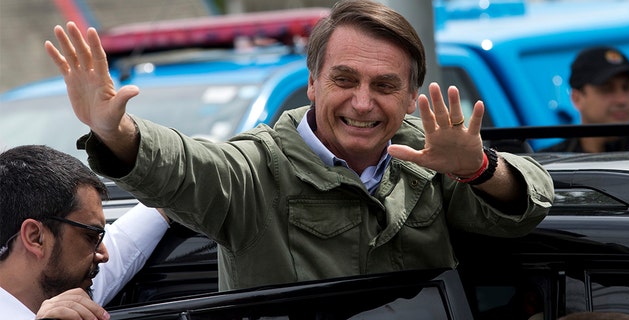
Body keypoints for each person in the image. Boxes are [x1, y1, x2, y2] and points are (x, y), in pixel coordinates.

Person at [45, 0, 554, 291]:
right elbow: (184, 168)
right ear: (312, 82)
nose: (362, 103)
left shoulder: (430, 159)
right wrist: (116, 132)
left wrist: (480, 169)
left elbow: (532, 205)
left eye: (384, 86)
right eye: (344, 80)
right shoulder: (254, 169)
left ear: (411, 97)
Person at [0, 145, 169, 319]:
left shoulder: (67, 287)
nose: (104, 254)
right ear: (35, 237)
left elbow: (130, 238)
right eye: (90, 237)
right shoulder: (68, 287)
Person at [540, 46, 629, 152]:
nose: (622, 100)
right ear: (577, 99)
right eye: (606, 89)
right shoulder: (550, 163)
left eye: (626, 87)